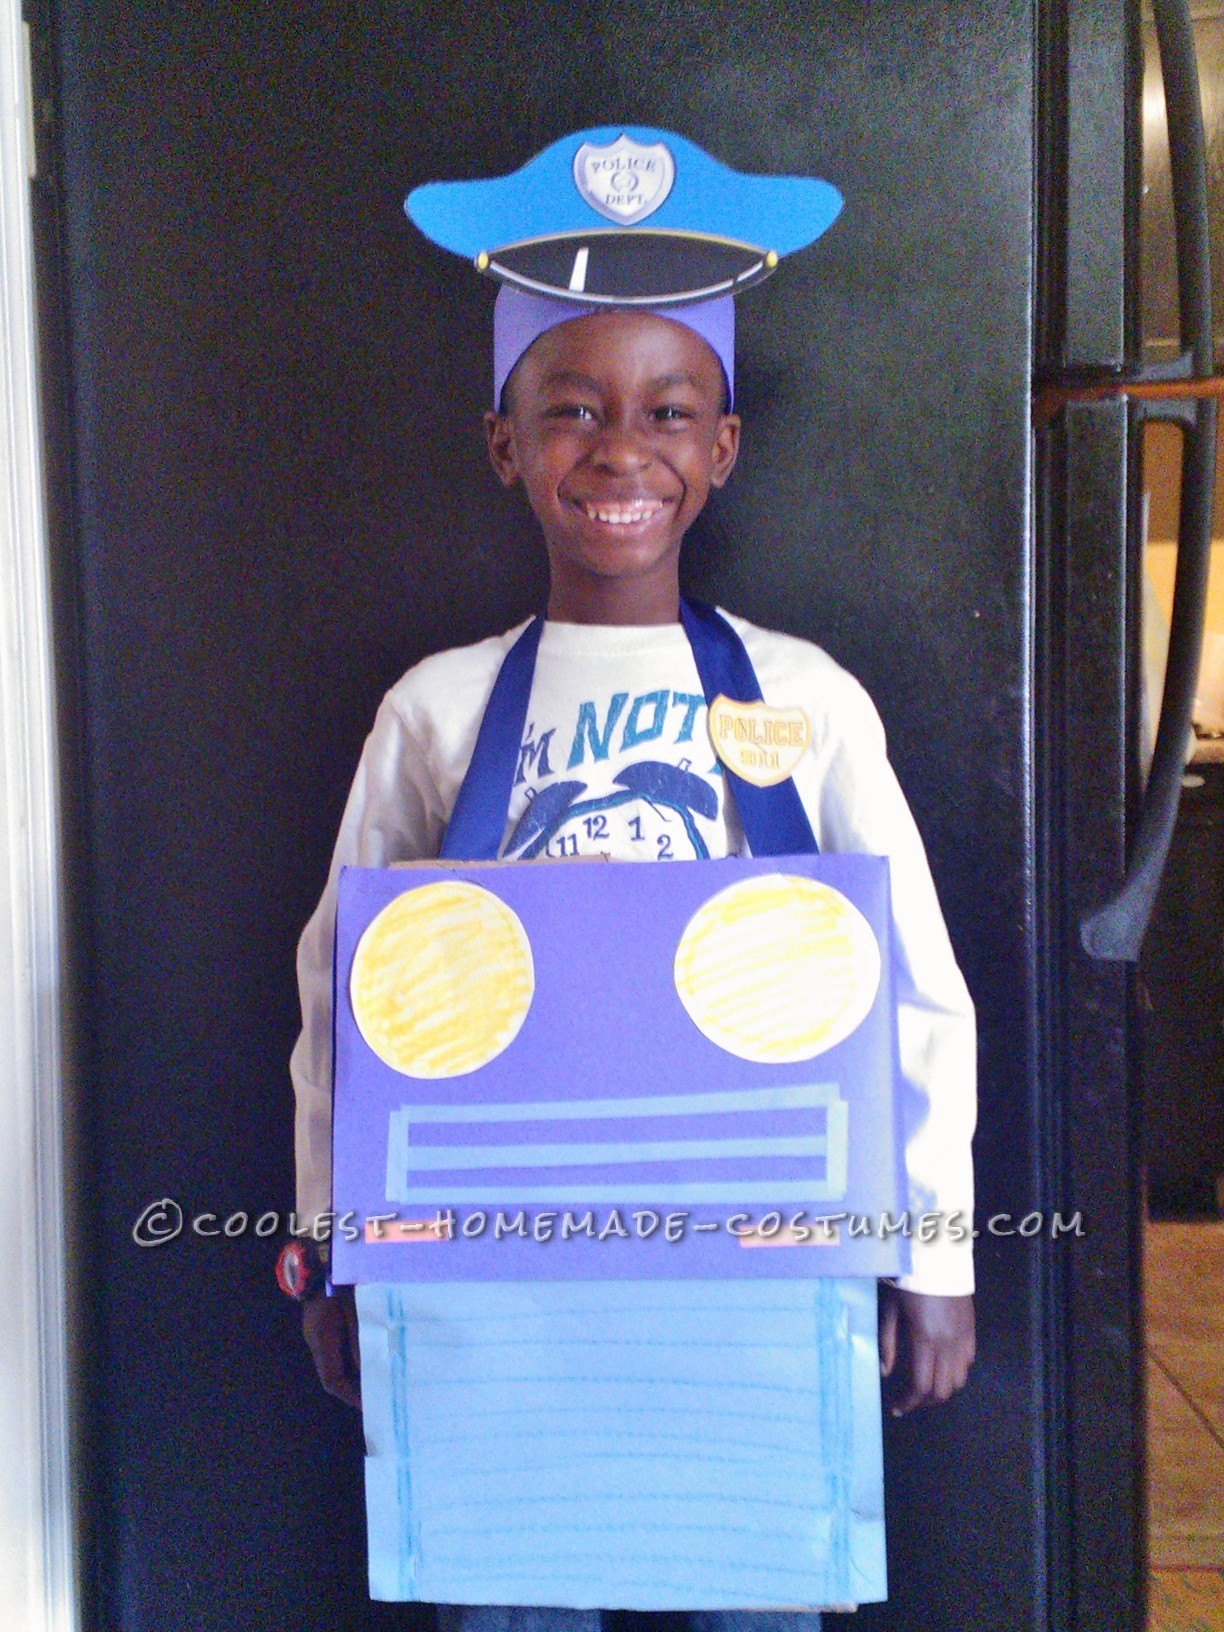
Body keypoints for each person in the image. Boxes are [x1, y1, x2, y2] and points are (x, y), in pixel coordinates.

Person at [284, 127, 976, 1627]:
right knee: (510, 1590)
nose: (619, 450)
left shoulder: (806, 695)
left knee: (755, 1589)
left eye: (668, 410)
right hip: (485, 1264)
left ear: (721, 447)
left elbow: (913, 989)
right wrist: (340, 1241)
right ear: (506, 442)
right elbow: (344, 998)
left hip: (763, 1252)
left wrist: (935, 1246)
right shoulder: (439, 709)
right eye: (570, 410)